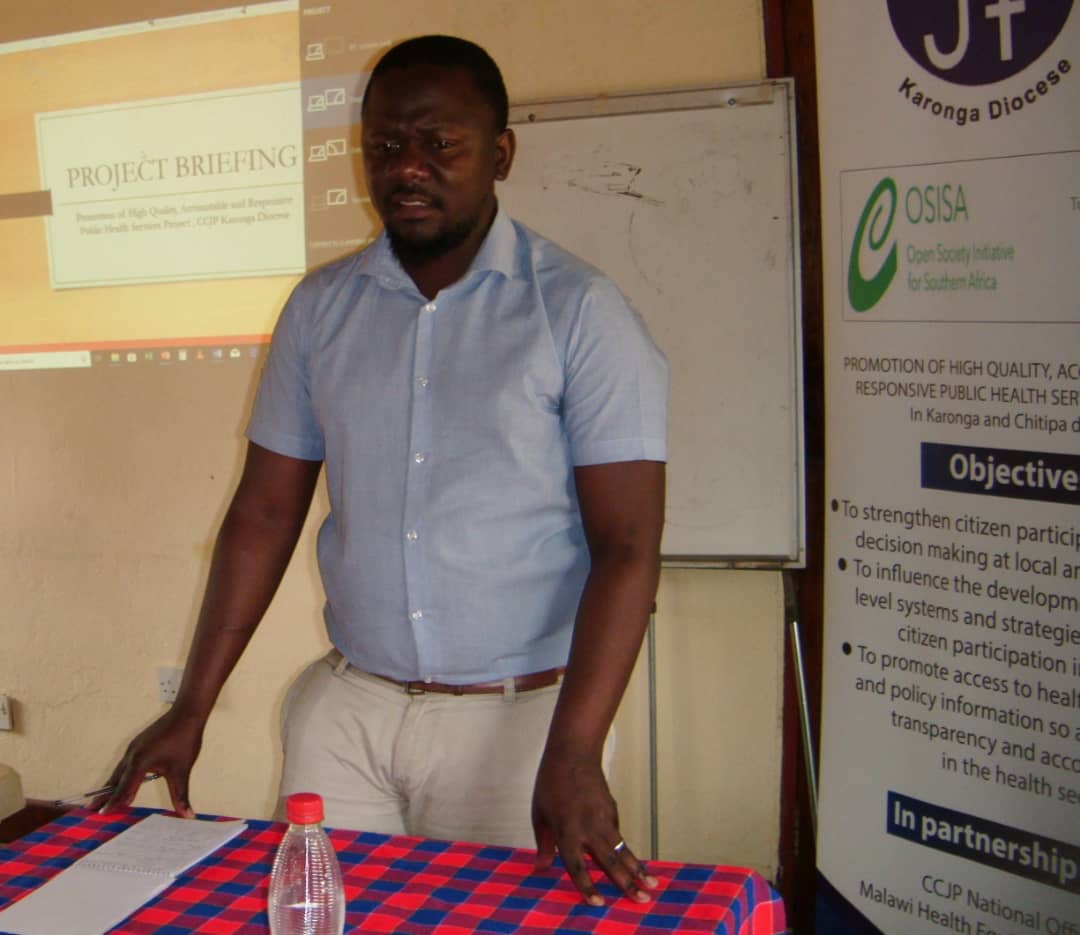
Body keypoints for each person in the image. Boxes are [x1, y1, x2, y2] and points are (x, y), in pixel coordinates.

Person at [101, 35, 667, 907]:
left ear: (501, 153)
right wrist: (193, 705)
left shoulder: (578, 313)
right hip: (349, 716)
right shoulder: (321, 308)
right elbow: (262, 514)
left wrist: (575, 749)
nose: (408, 167)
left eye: (440, 143)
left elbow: (628, 545)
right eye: (385, 145)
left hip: (519, 728)